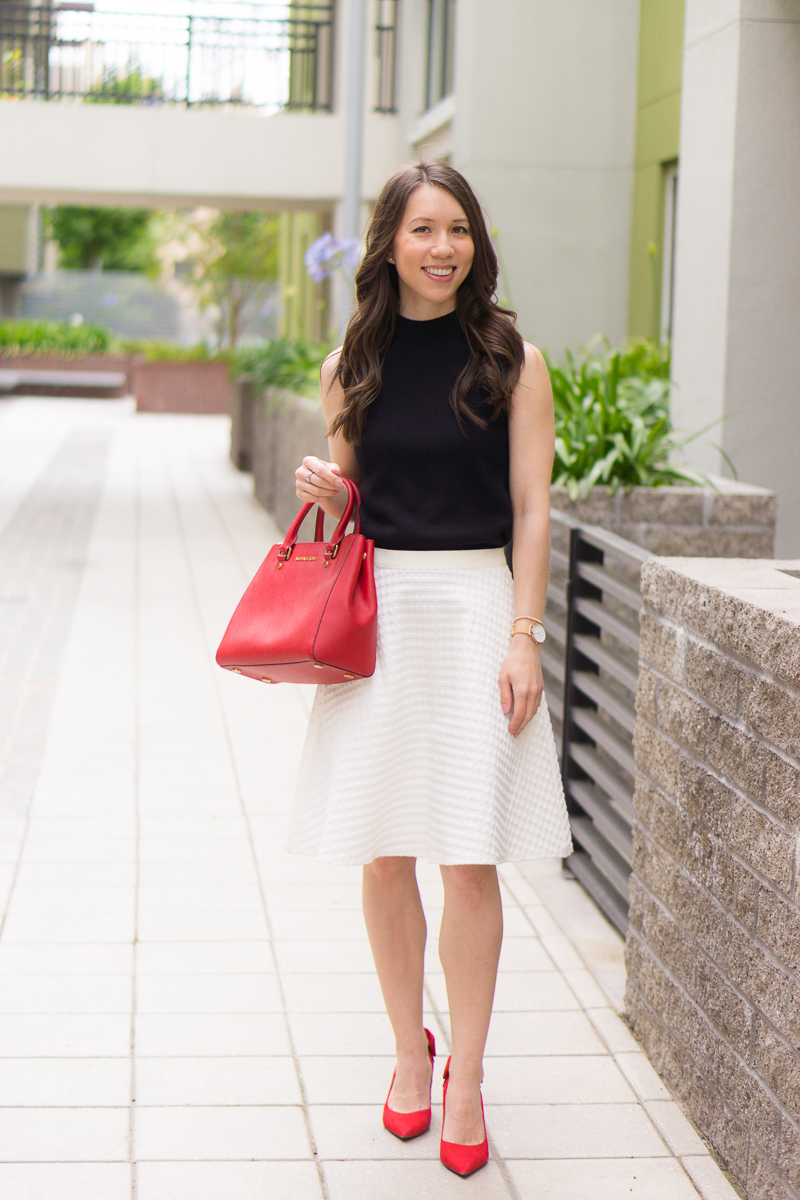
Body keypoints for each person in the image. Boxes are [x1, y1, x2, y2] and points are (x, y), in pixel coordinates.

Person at [288, 160, 572, 1177]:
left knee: (468, 855)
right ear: (389, 244)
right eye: (422, 230)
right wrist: (326, 487)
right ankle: (409, 1051)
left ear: (473, 241)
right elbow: (352, 507)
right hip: (380, 611)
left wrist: (524, 633)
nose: (442, 246)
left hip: (475, 606)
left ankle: (466, 1075)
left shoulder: (511, 357)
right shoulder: (349, 362)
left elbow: (533, 509)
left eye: (456, 228)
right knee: (381, 850)